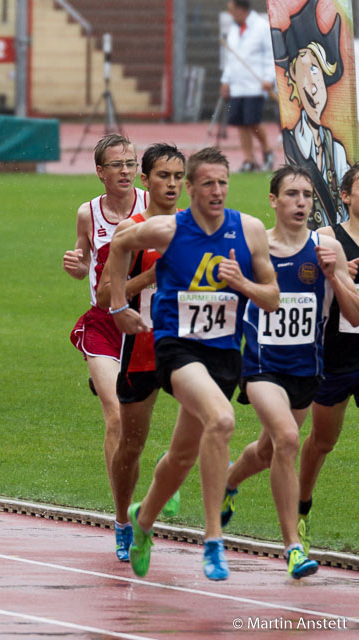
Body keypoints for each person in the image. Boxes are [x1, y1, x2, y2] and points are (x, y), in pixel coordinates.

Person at [108, 147, 279, 581]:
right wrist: (116, 305)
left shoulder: (250, 230)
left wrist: (242, 283)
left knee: (183, 454)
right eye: (207, 183)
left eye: (223, 183)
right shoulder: (168, 230)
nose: (217, 191)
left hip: (224, 354)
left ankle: (143, 521)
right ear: (191, 189)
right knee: (221, 421)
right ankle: (213, 540)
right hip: (177, 348)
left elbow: (272, 298)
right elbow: (120, 243)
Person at [220, 166, 359, 579]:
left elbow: (353, 314)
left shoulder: (324, 246)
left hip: (306, 368)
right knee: (287, 438)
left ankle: (228, 481)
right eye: (292, 194)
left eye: (307, 195)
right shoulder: (251, 245)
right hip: (262, 367)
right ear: (273, 200)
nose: (301, 202)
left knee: (268, 450)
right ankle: (293, 547)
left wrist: (335, 274)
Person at [95, 143, 185, 563]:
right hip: (142, 350)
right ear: (146, 182)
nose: (172, 184)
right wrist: (148, 276)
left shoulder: (196, 227)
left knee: (209, 421)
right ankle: (123, 521)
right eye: (163, 176)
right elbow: (101, 296)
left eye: (178, 176)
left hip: (186, 348)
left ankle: (164, 482)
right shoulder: (130, 231)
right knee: (131, 445)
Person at [63, 133, 147, 527]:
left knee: (135, 424)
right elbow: (83, 261)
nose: (127, 171)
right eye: (117, 165)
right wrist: (77, 266)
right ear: (100, 172)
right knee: (115, 416)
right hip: (104, 323)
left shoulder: (154, 207)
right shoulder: (88, 213)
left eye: (131, 164)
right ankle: (122, 519)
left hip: (146, 324)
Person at [294, 164, 359, 554]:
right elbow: (300, 280)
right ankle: (301, 506)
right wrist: (336, 275)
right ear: (346, 197)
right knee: (323, 441)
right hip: (335, 356)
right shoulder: (328, 239)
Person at [271, 0, 349, 227]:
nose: (312, 85)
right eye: (302, 71)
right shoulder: (291, 144)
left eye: (315, 70)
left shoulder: (339, 151)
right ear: (293, 79)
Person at [221, 0, 276, 173]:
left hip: (255, 85)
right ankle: (249, 160)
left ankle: (267, 150)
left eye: (232, 10)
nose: (230, 14)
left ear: (241, 9)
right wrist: (226, 80)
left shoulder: (261, 27)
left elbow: (270, 55)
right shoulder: (234, 29)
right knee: (240, 124)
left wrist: (269, 78)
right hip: (238, 86)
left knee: (253, 121)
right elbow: (231, 58)